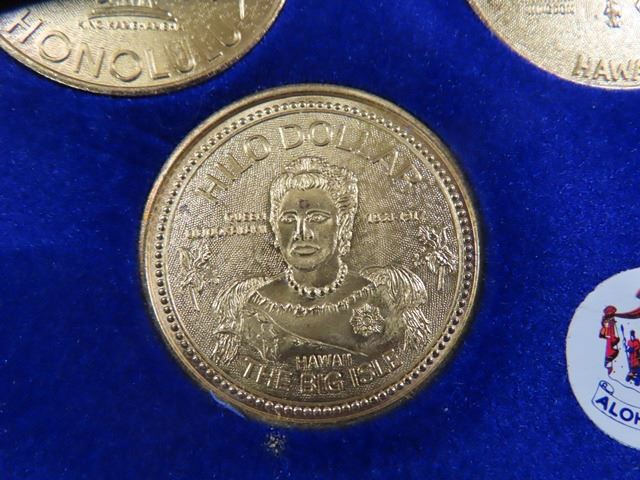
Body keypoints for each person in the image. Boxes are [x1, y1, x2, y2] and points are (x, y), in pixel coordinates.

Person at [210, 156, 431, 366]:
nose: (301, 232)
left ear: (343, 224)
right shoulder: (255, 304)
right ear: (275, 227)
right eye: (288, 219)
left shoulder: (377, 298)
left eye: (316, 218)